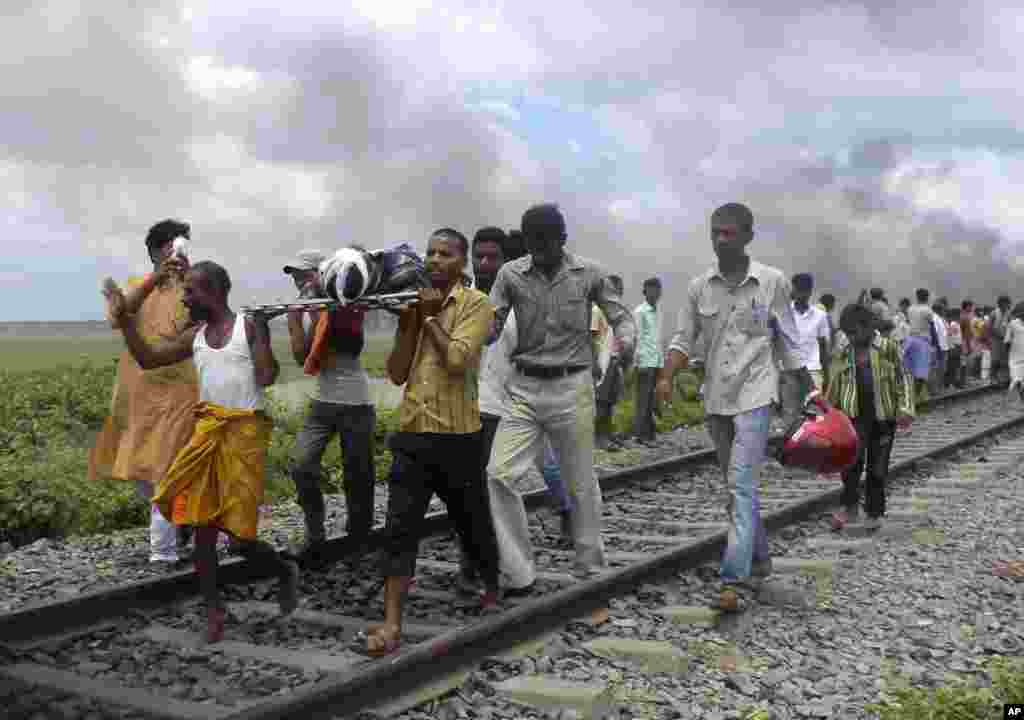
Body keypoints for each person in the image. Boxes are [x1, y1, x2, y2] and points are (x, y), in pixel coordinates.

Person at [103, 260, 299, 643]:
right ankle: (214, 613)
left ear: (214, 292)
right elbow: (148, 358)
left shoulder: (247, 326)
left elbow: (265, 377)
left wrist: (262, 335)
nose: (185, 299)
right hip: (207, 434)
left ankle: (283, 568)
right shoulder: (196, 334)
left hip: (243, 436)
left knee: (240, 537)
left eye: (191, 291)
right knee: (203, 530)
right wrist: (126, 321)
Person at [657, 202, 810, 612]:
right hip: (717, 398)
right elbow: (682, 338)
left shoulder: (772, 282)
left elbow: (790, 343)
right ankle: (759, 560)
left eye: (728, 233)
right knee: (735, 484)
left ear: (747, 236)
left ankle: (733, 579)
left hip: (757, 393)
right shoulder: (699, 287)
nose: (720, 240)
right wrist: (666, 376)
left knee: (741, 484)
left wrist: (808, 392)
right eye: (715, 233)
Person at [487, 204, 636, 595]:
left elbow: (619, 315)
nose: (538, 253)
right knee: (498, 474)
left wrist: (626, 341)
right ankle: (519, 572)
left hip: (572, 386)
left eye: (545, 244)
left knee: (580, 481)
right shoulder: (511, 274)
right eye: (532, 245)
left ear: (562, 240)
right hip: (524, 388)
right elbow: (491, 324)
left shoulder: (589, 273)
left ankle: (590, 568)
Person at [368, 228, 500, 655]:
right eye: (431, 252)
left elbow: (459, 361)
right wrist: (411, 321)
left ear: (461, 263)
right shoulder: (413, 306)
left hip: (458, 437)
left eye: (445, 254)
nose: (435, 260)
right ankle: (391, 625)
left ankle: (492, 587)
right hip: (412, 433)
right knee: (399, 530)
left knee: (473, 523)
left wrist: (429, 319)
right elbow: (397, 372)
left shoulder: (477, 305)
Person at [458, 227, 569, 593]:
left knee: (497, 487)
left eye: (493, 257)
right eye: (480, 256)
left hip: (504, 409)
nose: (485, 264)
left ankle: (517, 572)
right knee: (466, 490)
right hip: (463, 410)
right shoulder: (462, 298)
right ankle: (474, 565)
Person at [91, 219, 199, 565]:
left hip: (179, 392)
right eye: (170, 247)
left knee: (164, 470)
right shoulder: (139, 285)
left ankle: (162, 552)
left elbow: (205, 315)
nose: (177, 253)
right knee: (141, 471)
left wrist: (187, 278)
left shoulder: (190, 288)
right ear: (155, 251)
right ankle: (182, 523)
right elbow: (118, 315)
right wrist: (157, 277)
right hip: (138, 393)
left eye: (181, 246)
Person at [283, 250, 376, 568]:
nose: (299, 282)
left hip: (356, 404)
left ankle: (359, 541)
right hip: (322, 402)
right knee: (301, 465)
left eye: (304, 275)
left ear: (321, 276)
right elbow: (301, 359)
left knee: (358, 476)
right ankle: (315, 536)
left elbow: (340, 345)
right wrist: (295, 320)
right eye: (295, 277)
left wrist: (306, 317)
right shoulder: (314, 310)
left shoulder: (346, 305)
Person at [827, 302, 915, 530]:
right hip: (853, 417)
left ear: (867, 327)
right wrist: (827, 411)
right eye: (847, 334)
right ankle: (849, 506)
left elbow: (903, 377)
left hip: (883, 417)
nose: (851, 338)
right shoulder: (844, 350)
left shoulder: (888, 347)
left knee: (878, 467)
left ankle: (874, 511)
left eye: (854, 332)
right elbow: (835, 381)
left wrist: (905, 407)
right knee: (850, 463)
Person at [595, 277, 627, 449]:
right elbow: (595, 337)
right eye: (616, 289)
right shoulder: (598, 310)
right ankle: (599, 437)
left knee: (610, 401)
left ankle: (607, 433)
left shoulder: (617, 313)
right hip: (604, 361)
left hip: (614, 359)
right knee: (602, 401)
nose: (619, 293)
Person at [633, 278, 664, 444]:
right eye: (652, 289)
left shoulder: (658, 311)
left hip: (656, 361)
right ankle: (641, 435)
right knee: (643, 400)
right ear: (645, 291)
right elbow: (637, 337)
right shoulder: (640, 312)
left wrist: (661, 363)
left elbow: (657, 339)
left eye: (658, 290)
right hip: (645, 362)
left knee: (653, 399)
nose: (656, 293)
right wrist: (639, 362)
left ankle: (650, 433)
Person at [790, 273, 831, 390]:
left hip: (813, 372)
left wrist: (826, 376)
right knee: (791, 408)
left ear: (810, 291)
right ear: (793, 289)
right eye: (798, 289)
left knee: (814, 407)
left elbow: (823, 347)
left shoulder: (820, 316)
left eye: (805, 290)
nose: (801, 293)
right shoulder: (784, 314)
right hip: (789, 372)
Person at [903, 289, 934, 403]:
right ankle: (914, 398)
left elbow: (909, 322)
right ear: (927, 297)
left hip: (910, 340)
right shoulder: (927, 310)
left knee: (910, 371)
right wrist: (937, 344)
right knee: (921, 373)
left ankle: (911, 397)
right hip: (922, 341)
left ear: (916, 297)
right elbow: (932, 328)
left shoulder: (910, 309)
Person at [1003, 302, 1024, 403]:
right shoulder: (1012, 324)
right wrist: (1008, 356)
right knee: (1017, 380)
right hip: (1015, 359)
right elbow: (1007, 342)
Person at [989, 295, 1013, 383]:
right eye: (1006, 303)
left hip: (1005, 340)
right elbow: (989, 328)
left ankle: (1003, 377)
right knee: (995, 360)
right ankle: (992, 377)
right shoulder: (994, 313)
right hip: (995, 340)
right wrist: (992, 337)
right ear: (1000, 303)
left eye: (1008, 303)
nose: (1007, 305)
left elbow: (1011, 326)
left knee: (1004, 360)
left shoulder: (1009, 313)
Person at [929, 302, 949, 395]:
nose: (944, 311)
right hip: (939, 348)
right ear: (939, 309)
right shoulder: (935, 318)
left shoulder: (939, 318)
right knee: (937, 369)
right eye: (943, 309)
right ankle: (935, 390)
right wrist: (938, 347)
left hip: (942, 347)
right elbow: (934, 333)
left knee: (941, 369)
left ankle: (939, 388)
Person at [945, 308, 964, 389]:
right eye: (959, 314)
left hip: (957, 347)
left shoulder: (956, 324)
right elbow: (951, 337)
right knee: (952, 366)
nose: (960, 316)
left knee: (956, 366)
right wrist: (953, 347)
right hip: (954, 348)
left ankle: (956, 382)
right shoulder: (953, 324)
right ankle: (951, 383)